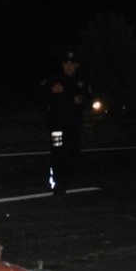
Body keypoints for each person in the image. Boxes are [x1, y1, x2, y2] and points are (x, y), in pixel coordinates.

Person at [40, 50, 92, 195]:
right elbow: (39, 94)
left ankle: (65, 179)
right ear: (63, 65)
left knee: (73, 154)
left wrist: (81, 99)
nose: (69, 67)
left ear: (76, 66)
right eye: (66, 64)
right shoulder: (54, 79)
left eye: (72, 64)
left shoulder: (80, 82)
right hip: (56, 125)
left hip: (73, 126)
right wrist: (51, 90)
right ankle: (58, 183)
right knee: (57, 153)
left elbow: (89, 96)